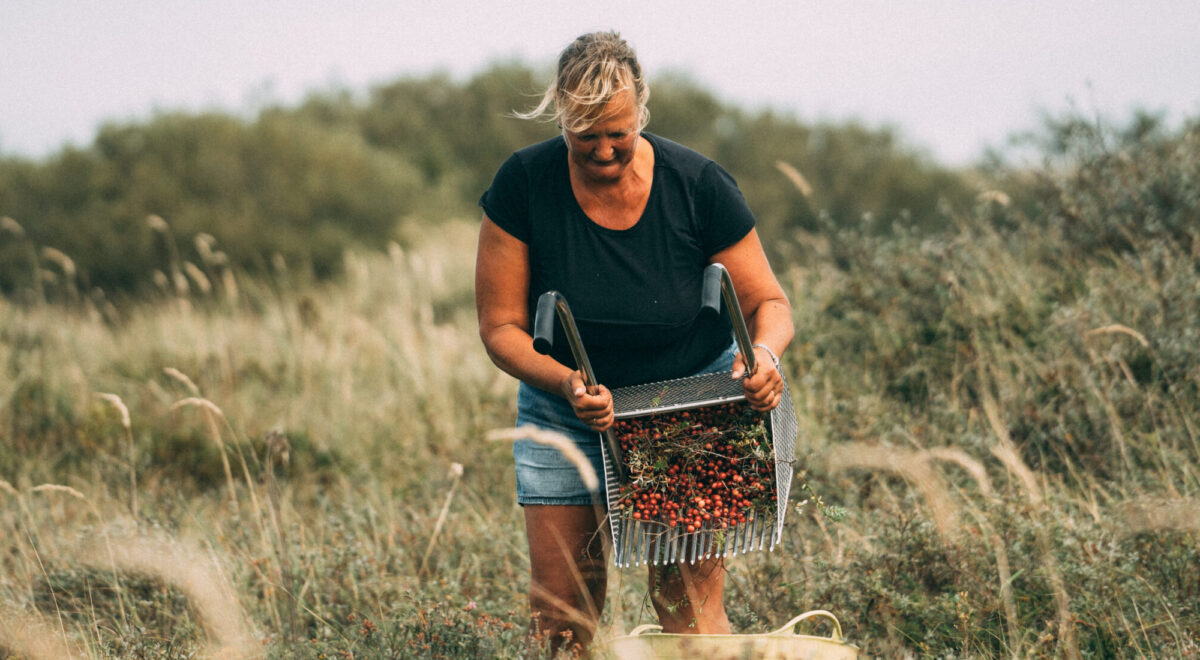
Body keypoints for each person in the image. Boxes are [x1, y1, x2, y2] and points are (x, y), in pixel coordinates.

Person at [475, 31, 793, 654]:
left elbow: (769, 304)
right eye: (583, 135)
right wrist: (567, 383)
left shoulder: (698, 184)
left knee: (687, 606)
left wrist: (766, 356)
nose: (601, 150)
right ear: (561, 119)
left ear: (641, 110)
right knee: (562, 619)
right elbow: (500, 329)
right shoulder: (522, 184)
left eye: (617, 132)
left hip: (686, 411)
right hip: (566, 412)